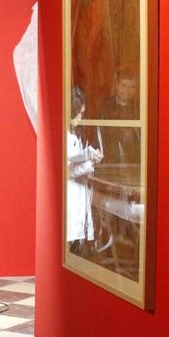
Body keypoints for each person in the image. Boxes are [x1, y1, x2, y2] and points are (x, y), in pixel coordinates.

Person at [68, 86, 103, 254]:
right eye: (79, 114)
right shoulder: (66, 137)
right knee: (69, 237)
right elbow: (68, 170)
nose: (80, 118)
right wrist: (90, 162)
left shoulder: (74, 134)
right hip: (71, 194)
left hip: (78, 192)